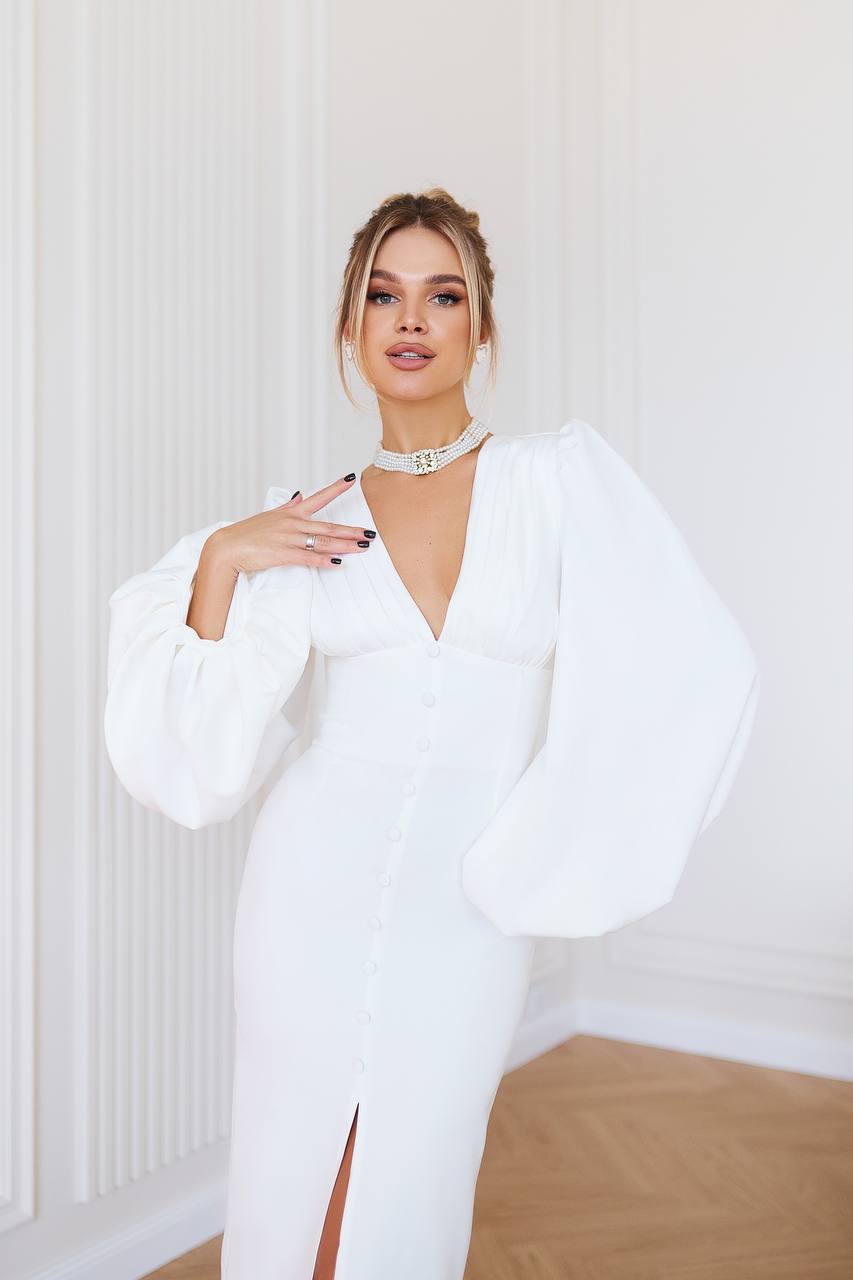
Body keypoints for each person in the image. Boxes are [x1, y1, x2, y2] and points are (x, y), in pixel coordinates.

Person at [103, 188, 760, 1280]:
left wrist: (542, 844)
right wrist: (223, 555)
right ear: (351, 332)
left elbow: (691, 664)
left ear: (480, 326)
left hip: (471, 896)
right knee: (288, 1171)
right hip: (306, 886)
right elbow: (196, 748)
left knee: (413, 1170)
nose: (411, 319)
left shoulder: (553, 480)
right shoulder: (307, 516)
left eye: (441, 294)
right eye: (383, 294)